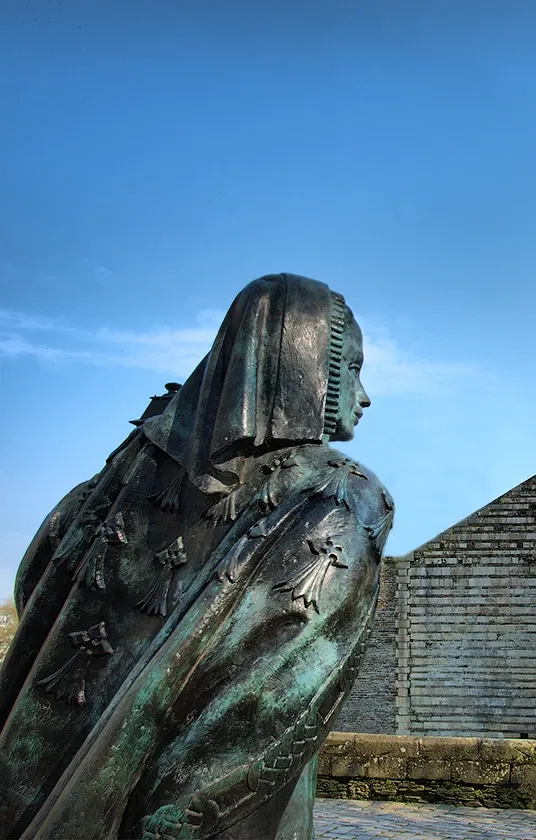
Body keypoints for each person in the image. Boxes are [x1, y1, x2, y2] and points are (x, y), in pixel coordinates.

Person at [0, 273, 392, 839]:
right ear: (308, 368)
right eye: (352, 369)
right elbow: (278, 697)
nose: (364, 394)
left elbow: (38, 582)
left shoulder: (128, 472)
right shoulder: (344, 495)